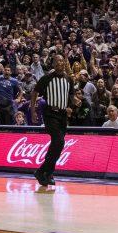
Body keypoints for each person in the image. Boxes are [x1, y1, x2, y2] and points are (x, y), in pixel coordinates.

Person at [30, 53, 72, 191]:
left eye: (62, 61)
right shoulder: (47, 78)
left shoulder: (68, 79)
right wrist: (33, 111)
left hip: (62, 115)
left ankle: (47, 173)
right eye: (58, 61)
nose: (61, 63)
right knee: (59, 141)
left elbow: (70, 96)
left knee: (58, 145)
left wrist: (71, 106)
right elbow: (35, 92)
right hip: (50, 114)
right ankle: (43, 171)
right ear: (53, 64)